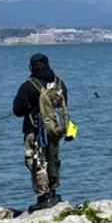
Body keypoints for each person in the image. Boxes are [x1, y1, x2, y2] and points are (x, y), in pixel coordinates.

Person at [11, 53, 69, 212]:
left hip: (35, 131)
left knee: (37, 162)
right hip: (55, 131)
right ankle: (54, 192)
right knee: (52, 159)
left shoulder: (29, 86)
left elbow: (17, 110)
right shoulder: (59, 83)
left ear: (32, 67)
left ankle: (43, 198)